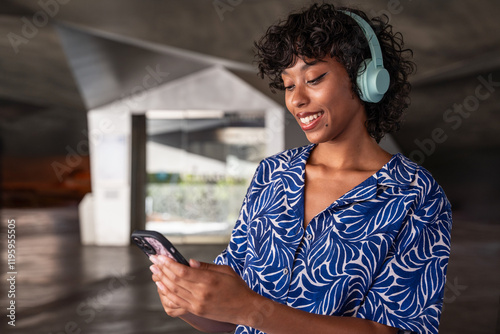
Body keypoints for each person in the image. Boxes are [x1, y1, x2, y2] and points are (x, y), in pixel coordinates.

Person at [149, 3, 452, 334]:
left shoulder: (414, 195)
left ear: (366, 80)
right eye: (289, 85)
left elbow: (392, 330)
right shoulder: (272, 174)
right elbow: (231, 319)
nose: (296, 99)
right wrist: (189, 305)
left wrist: (254, 310)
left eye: (314, 78)